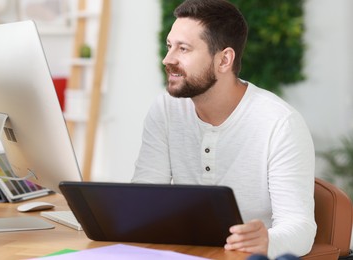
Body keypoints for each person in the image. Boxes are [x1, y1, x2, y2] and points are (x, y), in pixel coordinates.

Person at [132, 0, 316, 258]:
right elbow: (144, 197)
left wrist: (266, 241)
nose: (168, 59)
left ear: (224, 60)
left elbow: (301, 228)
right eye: (169, 46)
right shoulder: (165, 108)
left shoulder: (280, 123)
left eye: (183, 49)